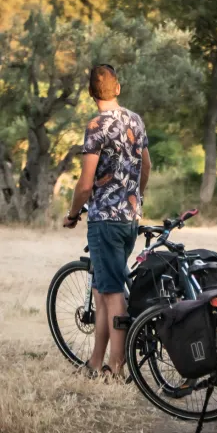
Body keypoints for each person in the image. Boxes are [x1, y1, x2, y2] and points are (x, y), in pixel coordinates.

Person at [63, 64, 151, 379]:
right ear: (118, 88)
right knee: (102, 290)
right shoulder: (135, 120)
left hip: (105, 221)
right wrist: (135, 198)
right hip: (128, 219)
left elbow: (85, 185)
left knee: (112, 293)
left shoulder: (96, 126)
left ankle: (117, 367)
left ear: (91, 93)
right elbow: (145, 167)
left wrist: (73, 214)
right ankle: (95, 363)